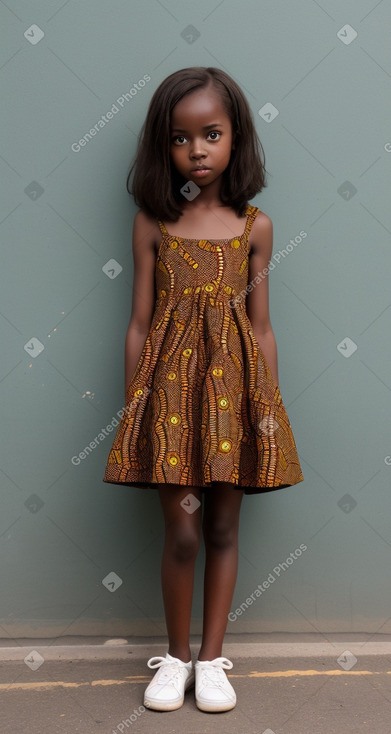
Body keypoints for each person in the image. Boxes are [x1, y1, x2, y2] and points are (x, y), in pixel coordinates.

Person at [103, 66, 304, 713]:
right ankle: (176, 658)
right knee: (182, 534)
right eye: (181, 138)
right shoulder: (151, 225)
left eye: (211, 134)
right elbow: (137, 323)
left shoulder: (257, 227)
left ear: (234, 138)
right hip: (168, 400)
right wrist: (137, 403)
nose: (197, 150)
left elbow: (262, 327)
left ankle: (212, 661)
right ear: (162, 148)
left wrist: (265, 411)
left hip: (235, 403)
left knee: (221, 527)